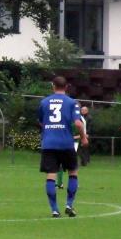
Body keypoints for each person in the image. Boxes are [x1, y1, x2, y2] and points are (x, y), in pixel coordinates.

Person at [38, 76, 87, 218]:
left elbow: (41, 121)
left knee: (51, 175)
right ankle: (69, 205)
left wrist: (49, 130)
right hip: (66, 143)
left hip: (49, 143)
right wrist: (83, 137)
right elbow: (78, 123)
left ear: (53, 86)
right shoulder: (72, 102)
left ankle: (54, 209)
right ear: (66, 87)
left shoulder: (44, 102)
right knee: (73, 172)